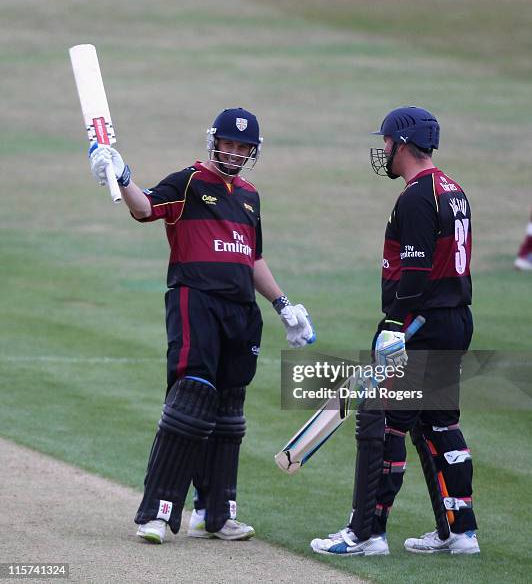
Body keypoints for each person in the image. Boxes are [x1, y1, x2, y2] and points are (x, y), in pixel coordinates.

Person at [89, 107, 315, 544]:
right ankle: (157, 514)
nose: (233, 152)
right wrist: (121, 175)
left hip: (241, 311)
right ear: (213, 141)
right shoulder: (189, 181)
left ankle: (214, 514)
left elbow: (253, 258)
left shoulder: (250, 195)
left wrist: (284, 305)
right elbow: (144, 207)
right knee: (191, 401)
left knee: (229, 413)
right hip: (196, 299)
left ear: (253, 151)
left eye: (242, 146)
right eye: (227, 143)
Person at [310, 106, 479, 556]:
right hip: (453, 321)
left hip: (418, 328)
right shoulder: (454, 190)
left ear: (402, 143)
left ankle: (366, 533)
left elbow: (417, 271)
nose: (383, 149)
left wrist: (392, 327)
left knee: (385, 425)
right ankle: (461, 532)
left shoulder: (416, 197)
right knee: (440, 424)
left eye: (386, 141)